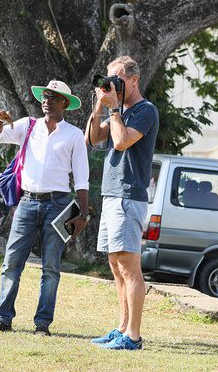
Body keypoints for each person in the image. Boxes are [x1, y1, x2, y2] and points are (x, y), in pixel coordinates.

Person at [0, 80, 89, 336]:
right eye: (44, 96)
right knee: (12, 262)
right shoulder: (28, 125)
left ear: (64, 103)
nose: (46, 100)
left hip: (59, 204)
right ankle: (3, 318)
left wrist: (83, 214)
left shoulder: (73, 134)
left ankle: (42, 324)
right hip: (28, 202)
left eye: (53, 97)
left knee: (51, 267)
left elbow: (82, 177)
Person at [86, 55, 159, 351]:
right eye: (108, 80)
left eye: (116, 80)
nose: (111, 86)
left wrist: (114, 108)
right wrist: (99, 105)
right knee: (115, 265)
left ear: (133, 80)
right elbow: (93, 139)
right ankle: (122, 327)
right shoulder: (118, 111)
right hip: (112, 193)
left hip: (129, 196)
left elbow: (121, 142)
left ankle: (134, 337)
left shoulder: (145, 110)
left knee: (130, 267)